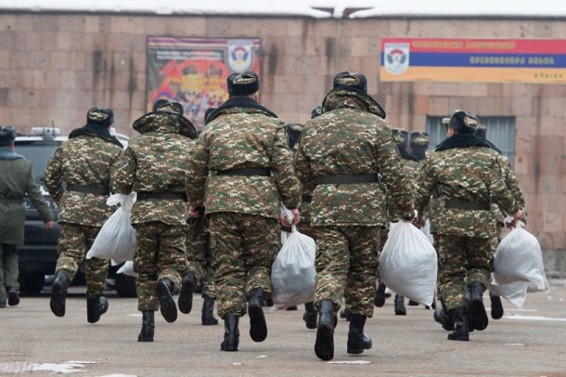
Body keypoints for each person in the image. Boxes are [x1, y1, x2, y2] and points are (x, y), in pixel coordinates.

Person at [294, 71, 414, 361]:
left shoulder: (313, 126)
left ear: (334, 93)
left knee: (331, 268)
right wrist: (406, 207)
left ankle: (325, 313)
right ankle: (356, 336)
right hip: (367, 208)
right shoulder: (376, 125)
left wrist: (320, 189)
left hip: (327, 207)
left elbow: (299, 170)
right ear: (363, 93)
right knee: (362, 271)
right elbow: (394, 172)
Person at [186, 71, 301, 352]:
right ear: (256, 93)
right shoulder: (272, 125)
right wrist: (293, 203)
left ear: (228, 93)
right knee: (261, 263)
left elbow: (195, 169)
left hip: (221, 203)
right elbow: (284, 169)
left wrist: (196, 201)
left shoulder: (212, 127)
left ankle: (231, 330)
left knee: (227, 268)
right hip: (261, 204)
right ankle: (256, 296)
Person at [414, 110, 523, 341]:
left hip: (448, 225)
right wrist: (514, 211)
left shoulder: (436, 156)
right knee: (480, 267)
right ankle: (475, 290)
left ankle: (461, 324)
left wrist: (416, 215)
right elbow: (499, 190)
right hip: (480, 222)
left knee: (450, 274)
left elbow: (420, 192)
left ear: (452, 130)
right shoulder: (489, 157)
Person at [112, 99, 198, 341]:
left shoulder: (137, 145)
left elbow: (121, 183)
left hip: (145, 212)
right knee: (173, 262)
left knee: (145, 269)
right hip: (175, 213)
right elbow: (198, 181)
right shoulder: (189, 145)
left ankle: (147, 326)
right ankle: (168, 283)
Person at [44, 108, 124, 323]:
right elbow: (119, 185)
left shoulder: (68, 146)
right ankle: (94, 305)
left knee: (70, 252)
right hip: (100, 210)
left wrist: (64, 200)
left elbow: (50, 177)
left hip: (71, 207)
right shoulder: (113, 150)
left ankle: (62, 277)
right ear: (108, 125)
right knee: (97, 258)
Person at [0, 126, 54, 308]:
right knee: (11, 253)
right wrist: (47, 216)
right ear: (12, 143)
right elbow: (35, 194)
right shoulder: (24, 165)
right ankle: (12, 286)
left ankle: (1, 296)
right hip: (15, 214)